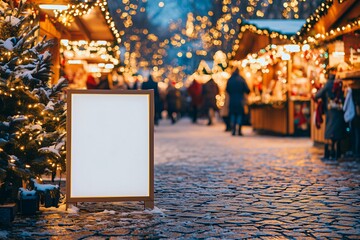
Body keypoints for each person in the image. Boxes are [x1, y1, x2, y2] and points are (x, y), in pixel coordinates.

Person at [314, 67, 346, 160]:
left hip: (331, 111)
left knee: (331, 131)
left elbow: (318, 95)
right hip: (339, 110)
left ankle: (330, 151)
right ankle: (338, 152)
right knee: (338, 131)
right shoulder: (341, 83)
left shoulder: (328, 84)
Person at [226, 67, 250, 136]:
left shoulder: (230, 80)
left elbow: (227, 89)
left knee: (233, 115)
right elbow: (247, 90)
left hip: (232, 100)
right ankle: (239, 130)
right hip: (240, 100)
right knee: (239, 115)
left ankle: (233, 129)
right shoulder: (241, 79)